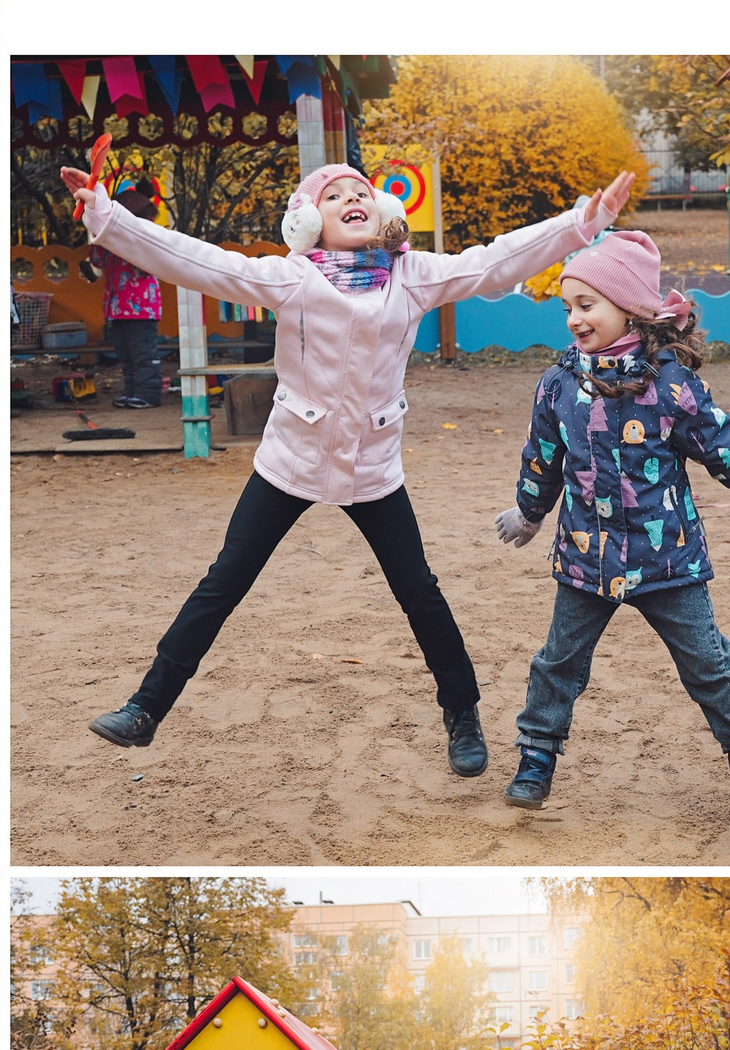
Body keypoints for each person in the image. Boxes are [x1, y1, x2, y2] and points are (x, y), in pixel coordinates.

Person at [62, 159, 636, 773]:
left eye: (360, 192)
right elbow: (195, 259)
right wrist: (108, 216)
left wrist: (585, 221)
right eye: (332, 196)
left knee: (418, 590)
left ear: (384, 212)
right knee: (223, 583)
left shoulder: (412, 277)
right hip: (291, 459)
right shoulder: (289, 278)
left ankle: (462, 714)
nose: (350, 200)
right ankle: (146, 708)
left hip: (372, 466)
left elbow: (496, 259)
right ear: (310, 221)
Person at [493, 229, 730, 813]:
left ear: (628, 307)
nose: (575, 319)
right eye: (567, 309)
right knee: (558, 663)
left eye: (586, 305)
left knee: (708, 661)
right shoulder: (559, 383)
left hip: (668, 559)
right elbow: (542, 455)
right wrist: (529, 513)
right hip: (586, 555)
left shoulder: (668, 382)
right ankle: (536, 758)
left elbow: (719, 443)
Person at [98, 177, 166, 408]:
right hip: (116, 307)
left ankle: (148, 393)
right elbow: (97, 261)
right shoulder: (112, 238)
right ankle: (131, 392)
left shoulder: (147, 233)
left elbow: (148, 264)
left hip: (141, 309)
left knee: (143, 354)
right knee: (125, 355)